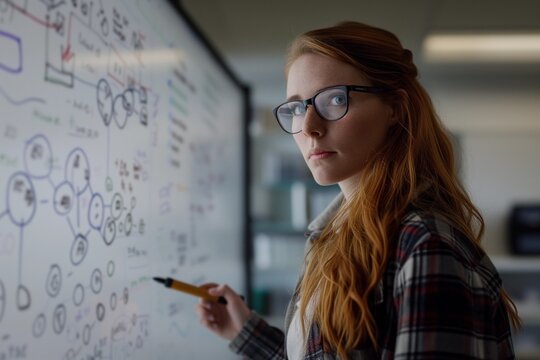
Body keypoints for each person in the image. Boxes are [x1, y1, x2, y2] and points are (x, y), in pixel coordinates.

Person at [195, 21, 520, 359]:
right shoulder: (333, 235)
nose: (308, 128)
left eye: (335, 99)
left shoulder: (423, 244)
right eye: (296, 107)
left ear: (394, 107)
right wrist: (244, 330)